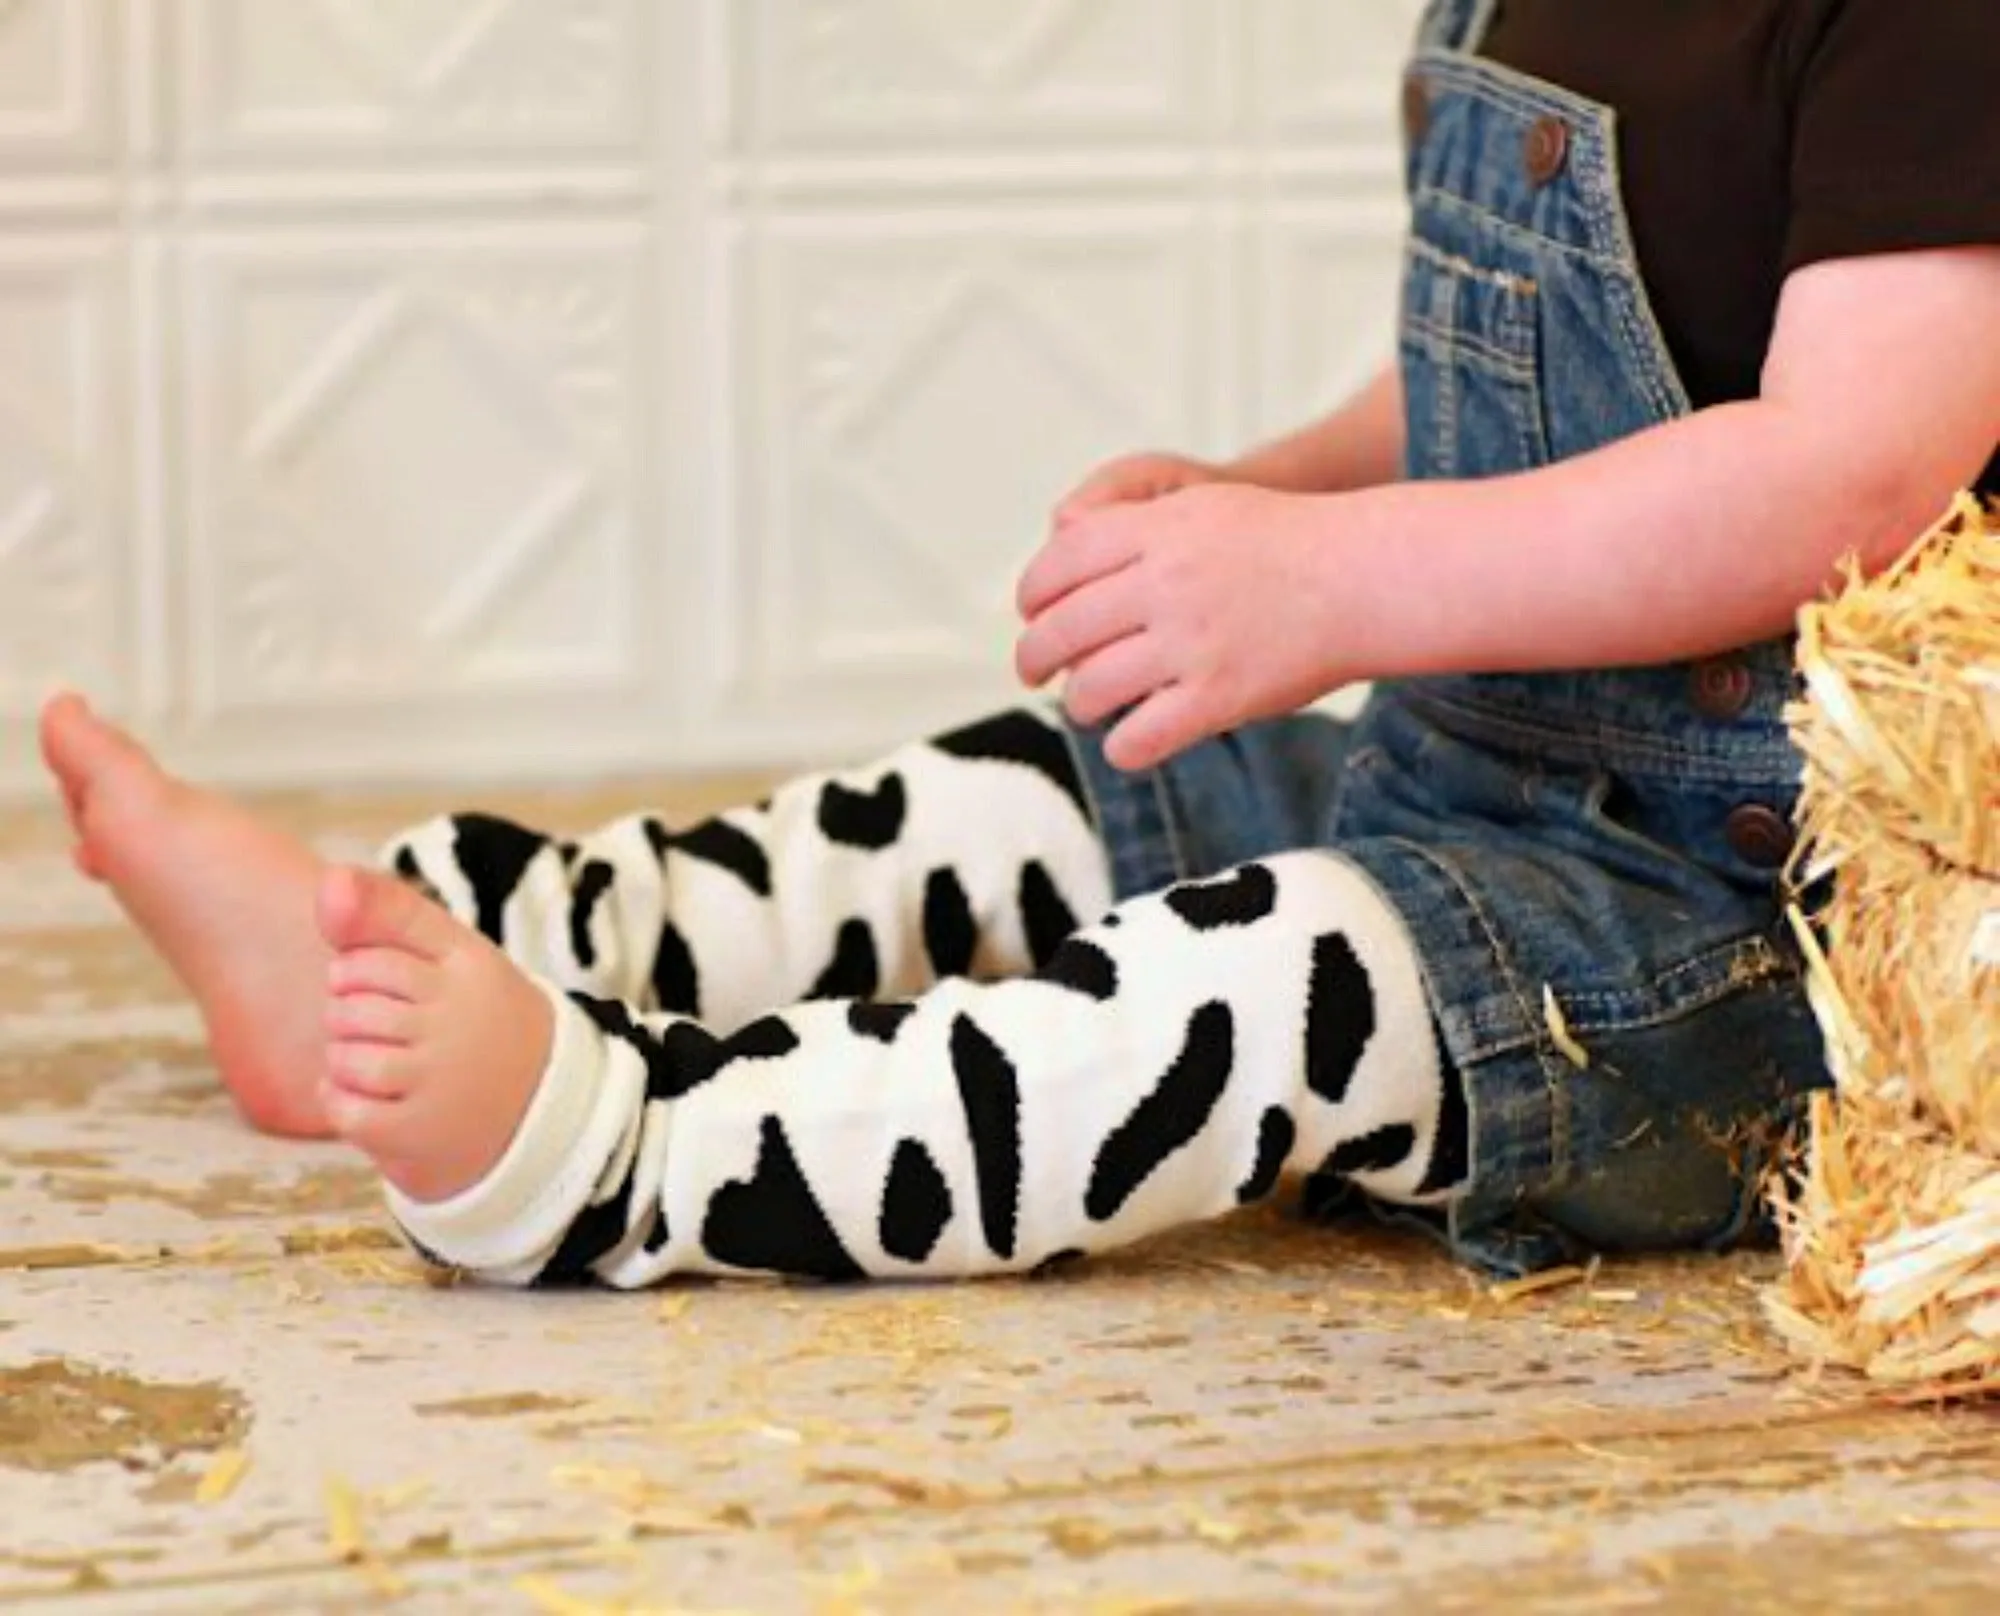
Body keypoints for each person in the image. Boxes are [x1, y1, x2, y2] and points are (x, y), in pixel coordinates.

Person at [40, 0, 2000, 1287]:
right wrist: (1278, 495)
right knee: (1042, 794)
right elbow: (1525, 385)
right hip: (1477, 775)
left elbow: (1845, 473)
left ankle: (618, 1151)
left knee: (1244, 984)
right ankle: (449, 929)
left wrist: (1340, 586)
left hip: (1751, 940)